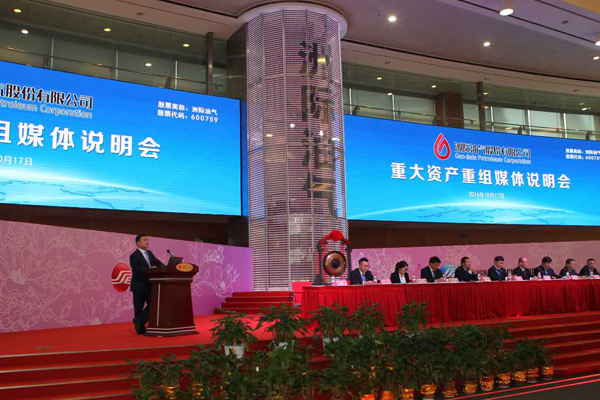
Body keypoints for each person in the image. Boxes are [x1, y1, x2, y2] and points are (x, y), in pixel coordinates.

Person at [130, 234, 165, 334]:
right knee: (138, 307)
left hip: (150, 285)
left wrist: (166, 268)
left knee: (153, 305)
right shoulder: (134, 256)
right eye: (144, 240)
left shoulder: (150, 253)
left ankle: (139, 321)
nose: (147, 242)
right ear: (138, 243)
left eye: (148, 240)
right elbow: (137, 270)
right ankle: (140, 328)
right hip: (139, 286)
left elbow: (158, 262)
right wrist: (150, 270)